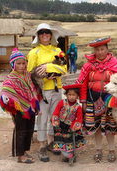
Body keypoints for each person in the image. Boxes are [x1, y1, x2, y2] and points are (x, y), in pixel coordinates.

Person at [76, 37, 117, 162]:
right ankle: (98, 150)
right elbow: (82, 84)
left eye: (102, 49)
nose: (100, 52)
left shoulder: (114, 63)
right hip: (92, 98)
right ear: (94, 51)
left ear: (107, 49)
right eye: (97, 50)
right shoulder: (89, 65)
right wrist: (83, 101)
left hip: (110, 99)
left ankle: (111, 150)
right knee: (96, 126)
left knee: (109, 125)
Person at [27, 23, 67, 162]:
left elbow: (64, 69)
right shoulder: (34, 53)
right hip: (41, 91)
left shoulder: (57, 51)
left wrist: (48, 67)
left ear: (51, 35)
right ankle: (42, 145)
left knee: (54, 117)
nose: (45, 35)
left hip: (57, 89)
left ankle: (51, 141)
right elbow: (30, 73)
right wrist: (42, 74)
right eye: (42, 32)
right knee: (43, 118)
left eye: (47, 32)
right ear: (38, 35)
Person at [0, 48, 40, 163]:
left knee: (29, 130)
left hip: (30, 109)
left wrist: (35, 104)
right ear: (13, 64)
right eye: (19, 64)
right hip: (19, 110)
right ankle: (20, 156)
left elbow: (32, 90)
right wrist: (14, 105)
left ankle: (25, 151)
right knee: (21, 131)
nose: (22, 66)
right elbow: (5, 94)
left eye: (24, 63)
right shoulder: (10, 79)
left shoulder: (27, 75)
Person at [51, 83, 86, 165]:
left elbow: (79, 119)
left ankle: (70, 155)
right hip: (60, 125)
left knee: (70, 141)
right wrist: (55, 121)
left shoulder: (78, 107)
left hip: (71, 127)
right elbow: (56, 112)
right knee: (61, 140)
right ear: (66, 95)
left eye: (74, 95)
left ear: (77, 96)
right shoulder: (61, 103)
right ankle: (67, 155)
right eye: (69, 94)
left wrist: (74, 126)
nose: (71, 96)